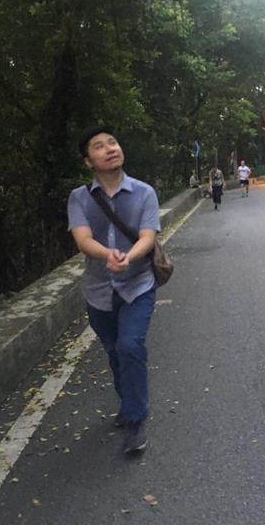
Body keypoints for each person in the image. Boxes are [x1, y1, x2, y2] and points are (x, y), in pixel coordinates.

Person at [67, 127, 161, 454]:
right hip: (98, 290)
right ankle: (128, 402)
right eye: (99, 146)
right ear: (88, 161)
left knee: (130, 345)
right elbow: (82, 239)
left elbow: (148, 237)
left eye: (113, 142)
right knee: (113, 351)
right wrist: (109, 255)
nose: (110, 148)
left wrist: (127, 258)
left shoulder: (145, 193)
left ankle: (135, 420)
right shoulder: (79, 198)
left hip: (138, 284)